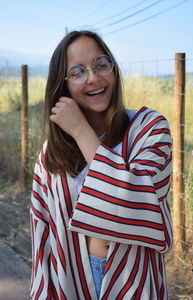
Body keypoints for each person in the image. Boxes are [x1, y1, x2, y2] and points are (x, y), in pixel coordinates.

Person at [30, 30, 173, 300]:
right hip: (72, 282)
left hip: (134, 280)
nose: (93, 78)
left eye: (101, 64)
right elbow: (43, 231)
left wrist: (82, 131)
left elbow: (139, 202)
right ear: (62, 86)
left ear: (114, 70)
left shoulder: (150, 129)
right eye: (77, 72)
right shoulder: (51, 154)